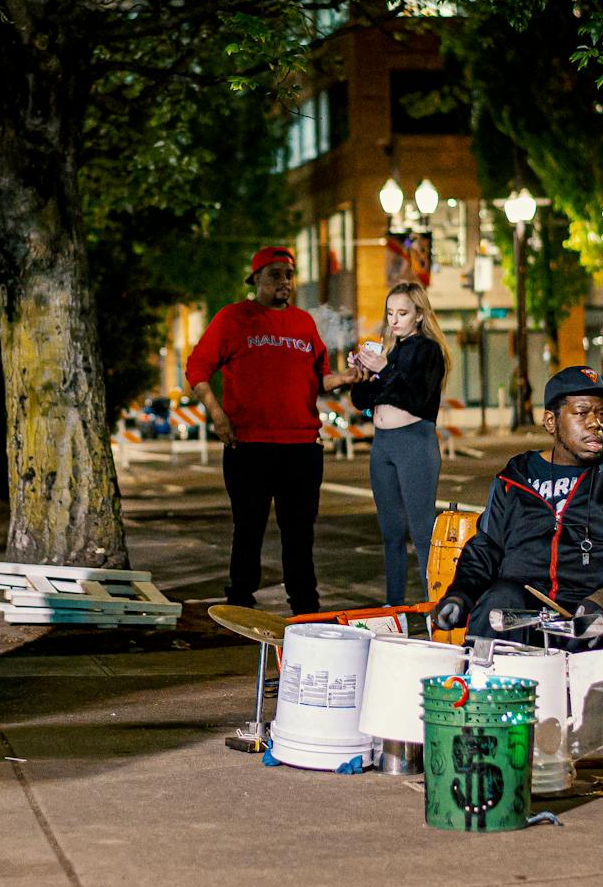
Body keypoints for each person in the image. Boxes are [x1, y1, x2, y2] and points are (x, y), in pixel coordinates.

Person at [429, 365, 603, 784]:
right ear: (551, 421)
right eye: (583, 412)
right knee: (499, 598)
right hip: (530, 617)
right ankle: (485, 731)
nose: (597, 423)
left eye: (601, 412)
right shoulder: (515, 477)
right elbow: (486, 547)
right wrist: (459, 596)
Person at [186, 246, 357, 617]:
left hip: (301, 447)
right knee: (248, 529)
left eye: (289, 274)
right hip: (249, 445)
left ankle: (305, 608)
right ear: (257, 279)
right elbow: (197, 368)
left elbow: (318, 379)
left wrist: (344, 378)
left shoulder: (303, 323)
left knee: (300, 533)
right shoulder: (234, 318)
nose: (285, 282)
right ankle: (240, 603)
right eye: (275, 274)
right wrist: (217, 413)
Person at [349, 281, 448, 606]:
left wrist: (386, 369)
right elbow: (363, 402)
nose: (394, 319)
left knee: (421, 532)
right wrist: (362, 374)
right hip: (383, 445)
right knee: (390, 532)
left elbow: (417, 398)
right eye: (390, 313)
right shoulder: (393, 350)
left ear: (420, 315)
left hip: (414, 442)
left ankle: (436, 610)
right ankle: (394, 607)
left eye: (402, 313)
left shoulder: (428, 350)